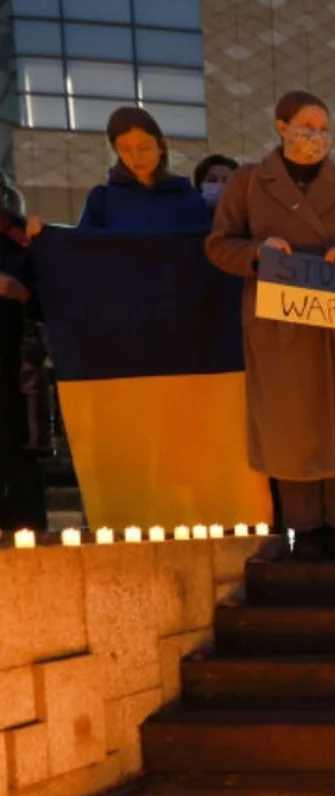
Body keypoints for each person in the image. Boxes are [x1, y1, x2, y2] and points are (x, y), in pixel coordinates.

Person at [205, 90, 335, 561]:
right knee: (292, 426)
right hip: (280, 329)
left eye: (323, 127)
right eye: (306, 125)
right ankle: (305, 527)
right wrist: (257, 254)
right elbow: (218, 245)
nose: (316, 136)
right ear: (281, 126)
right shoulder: (250, 183)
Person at [41, 107, 210, 235]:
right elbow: (81, 250)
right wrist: (46, 234)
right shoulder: (102, 201)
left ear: (160, 146)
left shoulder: (191, 200)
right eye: (126, 150)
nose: (136, 157)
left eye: (144, 147)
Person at [0, 171, 44, 532]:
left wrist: (21, 294)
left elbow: (53, 303)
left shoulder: (21, 244)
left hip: (13, 375)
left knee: (19, 460)